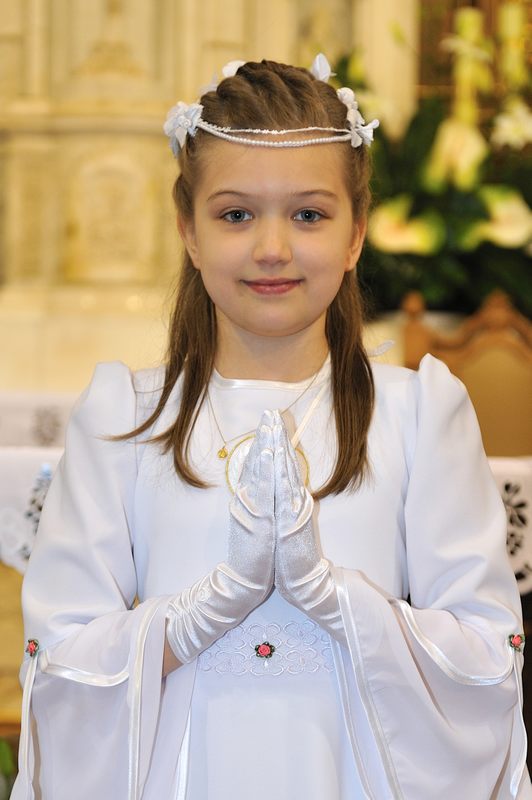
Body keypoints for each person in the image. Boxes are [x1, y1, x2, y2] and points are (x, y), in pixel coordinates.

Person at [12, 54, 531, 800]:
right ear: (188, 230)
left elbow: (486, 656)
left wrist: (338, 599)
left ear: (356, 234)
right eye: (236, 214)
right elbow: (60, 659)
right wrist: (192, 620)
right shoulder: (124, 417)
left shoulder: (419, 414)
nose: (272, 249)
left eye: (309, 214)